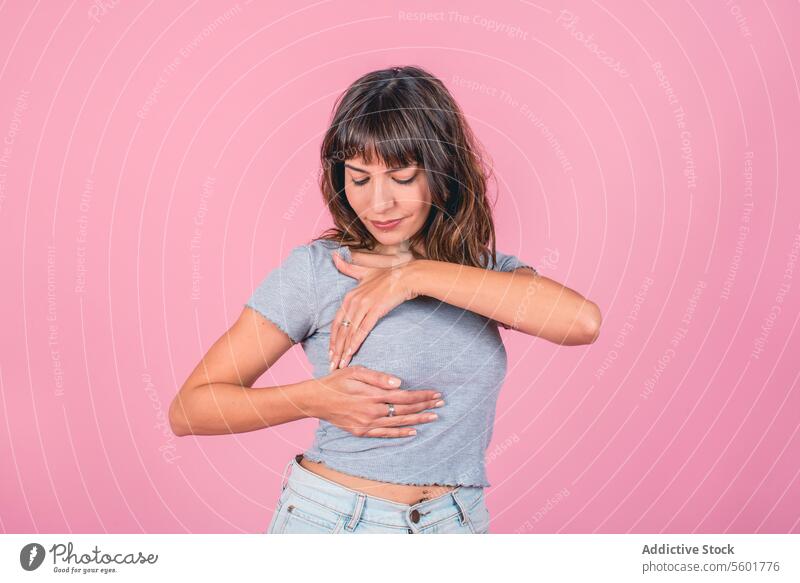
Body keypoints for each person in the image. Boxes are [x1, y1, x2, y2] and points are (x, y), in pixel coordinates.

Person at [169, 65, 602, 534]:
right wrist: (314, 399)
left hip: (456, 525)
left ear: (442, 173)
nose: (379, 204)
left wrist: (411, 276)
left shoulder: (484, 274)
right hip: (334, 521)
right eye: (359, 179)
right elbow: (191, 410)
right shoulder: (320, 271)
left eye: (401, 177)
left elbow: (581, 323)